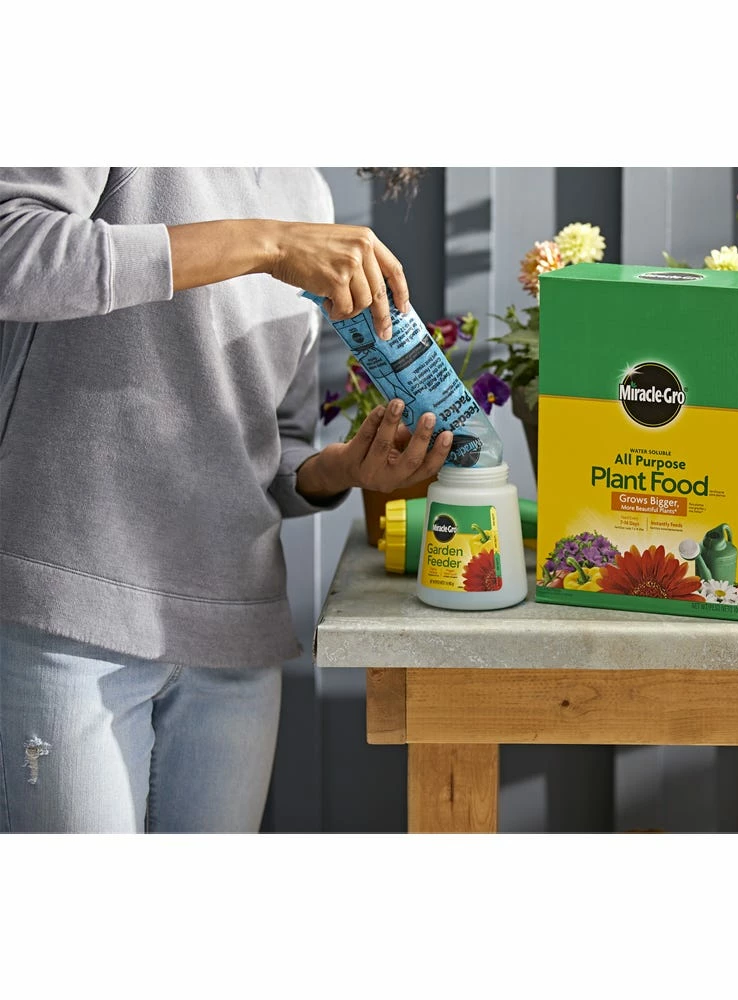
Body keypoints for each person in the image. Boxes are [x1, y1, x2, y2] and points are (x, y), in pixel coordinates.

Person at [0, 167, 451, 833]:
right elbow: (13, 250)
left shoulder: (308, 195)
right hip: (72, 624)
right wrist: (268, 243)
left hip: (236, 643)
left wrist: (340, 470)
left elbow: (277, 442)